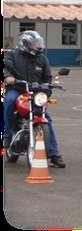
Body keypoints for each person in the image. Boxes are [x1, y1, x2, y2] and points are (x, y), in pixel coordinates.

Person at [3, 30, 66, 168]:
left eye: (38, 43)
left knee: (47, 119)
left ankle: (54, 155)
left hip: (35, 93)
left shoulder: (42, 58)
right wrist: (8, 77)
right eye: (34, 44)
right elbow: (5, 68)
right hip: (17, 90)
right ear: (25, 44)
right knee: (8, 101)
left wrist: (49, 88)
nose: (38, 46)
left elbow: (47, 78)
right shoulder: (12, 55)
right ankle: (7, 135)